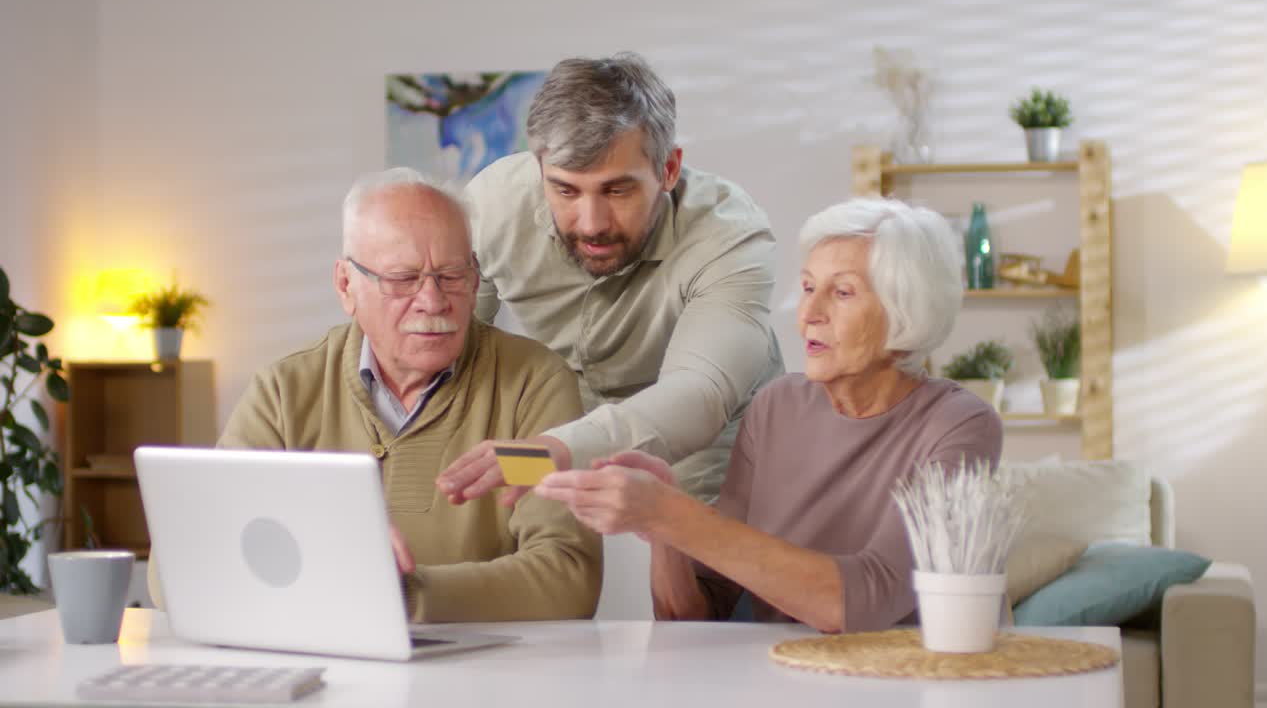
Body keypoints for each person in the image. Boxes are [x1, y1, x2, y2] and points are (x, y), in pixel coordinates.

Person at [150, 168, 602, 622]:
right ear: (346, 285)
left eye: (452, 275)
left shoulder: (532, 386)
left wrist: (401, 597)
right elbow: (180, 565)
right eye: (403, 279)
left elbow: (567, 577)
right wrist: (340, 572)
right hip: (324, 679)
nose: (433, 300)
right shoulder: (285, 395)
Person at [533, 197, 1003, 633]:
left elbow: (865, 599)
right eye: (807, 288)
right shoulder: (775, 406)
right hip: (779, 680)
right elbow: (694, 617)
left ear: (906, 310)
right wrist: (662, 529)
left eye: (841, 293)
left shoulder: (961, 425)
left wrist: (673, 514)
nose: (808, 313)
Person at [438, 52, 784, 507]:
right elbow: (449, 345)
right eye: (565, 189)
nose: (591, 224)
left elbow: (700, 394)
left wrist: (556, 451)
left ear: (669, 169)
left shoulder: (728, 235)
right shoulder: (492, 206)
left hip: (711, 445)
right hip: (562, 435)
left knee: (698, 569)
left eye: (617, 190)